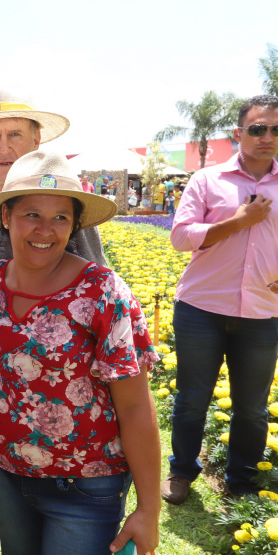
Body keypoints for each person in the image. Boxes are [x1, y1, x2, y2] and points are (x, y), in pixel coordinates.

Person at [0, 151, 161, 554]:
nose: (45, 230)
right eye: (31, 214)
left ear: (74, 225)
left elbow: (136, 408)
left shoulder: (102, 292)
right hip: (8, 475)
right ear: (6, 216)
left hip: (86, 486)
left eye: (61, 218)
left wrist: (149, 509)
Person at [161, 94, 278, 505]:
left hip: (263, 313)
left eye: (276, 130)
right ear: (239, 133)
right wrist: (239, 222)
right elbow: (180, 237)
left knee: (252, 406)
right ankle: (181, 473)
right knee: (193, 398)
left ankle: (242, 480)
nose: (267, 137)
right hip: (201, 310)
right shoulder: (207, 180)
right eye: (258, 128)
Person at [0, 84, 107, 306]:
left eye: (15, 134)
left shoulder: (66, 209)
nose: (4, 148)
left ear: (36, 142)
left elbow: (101, 292)